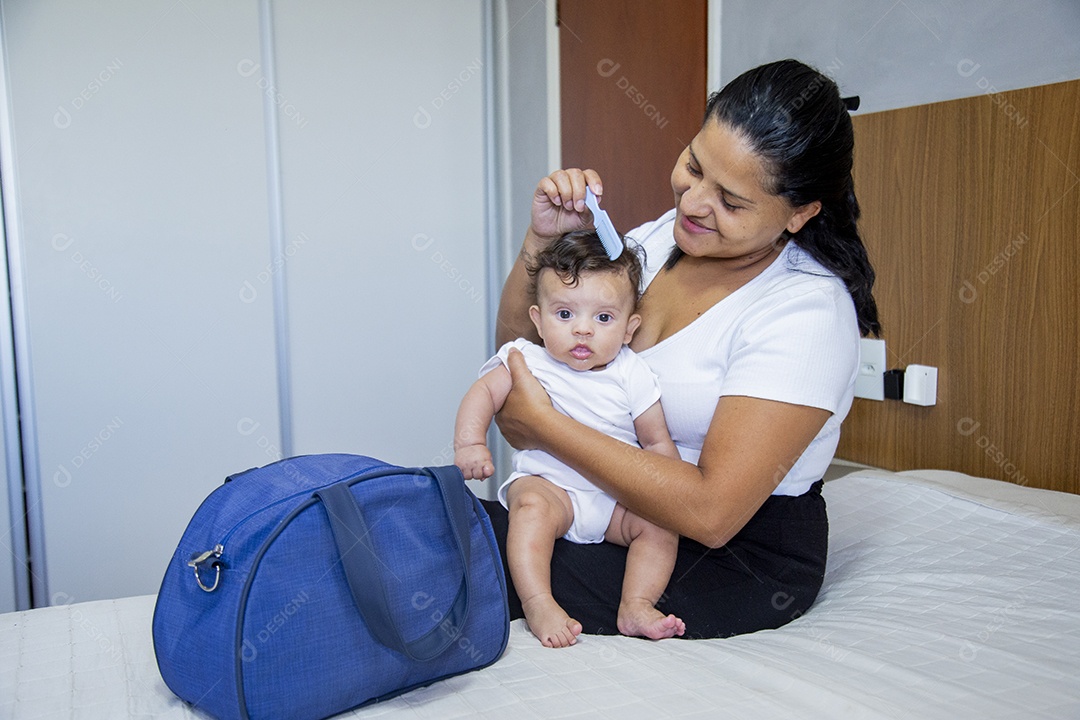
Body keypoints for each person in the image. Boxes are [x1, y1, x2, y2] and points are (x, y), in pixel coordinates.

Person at [487, 59, 880, 639]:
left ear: (800, 213)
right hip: (602, 501)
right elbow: (520, 359)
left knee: (471, 554)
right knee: (447, 524)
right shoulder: (651, 242)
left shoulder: (806, 312)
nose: (693, 203)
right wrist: (539, 244)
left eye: (731, 200)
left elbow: (713, 513)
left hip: (730, 554)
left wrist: (547, 426)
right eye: (694, 167)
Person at [455, 230, 685, 647]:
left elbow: (655, 442)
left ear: (630, 328)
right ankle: (538, 601)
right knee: (531, 512)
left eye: (603, 318)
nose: (582, 331)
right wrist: (470, 442)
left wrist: (673, 487)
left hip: (613, 497)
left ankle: (636, 603)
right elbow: (484, 393)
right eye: (564, 315)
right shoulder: (527, 358)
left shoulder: (631, 373)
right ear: (539, 320)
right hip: (551, 486)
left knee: (658, 526)